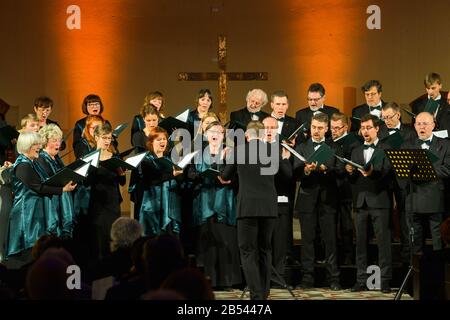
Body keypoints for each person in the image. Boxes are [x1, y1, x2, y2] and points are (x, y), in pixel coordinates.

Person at [220, 121, 279, 300]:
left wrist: (225, 160)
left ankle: (256, 295)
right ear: (262, 135)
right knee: (265, 250)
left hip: (247, 208)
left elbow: (225, 176)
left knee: (247, 251)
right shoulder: (272, 151)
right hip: (269, 207)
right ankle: (265, 292)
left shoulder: (238, 151)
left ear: (247, 135)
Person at [186, 121, 241, 290]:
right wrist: (204, 175)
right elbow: (190, 174)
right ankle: (209, 280)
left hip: (224, 201)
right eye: (212, 131)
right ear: (206, 134)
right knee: (207, 242)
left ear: (224, 135)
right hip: (205, 201)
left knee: (225, 240)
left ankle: (226, 280)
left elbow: (237, 177)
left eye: (219, 131)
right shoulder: (197, 154)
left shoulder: (230, 153)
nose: (215, 134)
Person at [6, 132, 76, 258]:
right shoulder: (23, 165)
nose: (39, 147)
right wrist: (62, 189)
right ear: (27, 146)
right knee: (28, 252)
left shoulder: (32, 162)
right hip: (26, 214)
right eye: (36, 144)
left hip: (34, 212)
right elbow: (39, 187)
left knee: (36, 251)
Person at [293, 113, 342, 290]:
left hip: (328, 199)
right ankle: (307, 278)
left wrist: (324, 169)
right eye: (314, 127)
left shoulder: (334, 147)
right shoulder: (302, 146)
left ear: (326, 129)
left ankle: (333, 278)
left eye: (320, 128)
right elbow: (295, 172)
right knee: (307, 240)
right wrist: (306, 170)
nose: (316, 131)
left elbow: (339, 171)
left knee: (330, 240)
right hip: (307, 198)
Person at [345, 114, 393, 293]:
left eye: (368, 128)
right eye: (362, 128)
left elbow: (389, 174)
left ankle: (385, 280)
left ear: (377, 128)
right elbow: (352, 179)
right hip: (360, 202)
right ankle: (361, 279)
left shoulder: (386, 148)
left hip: (379, 200)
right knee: (360, 244)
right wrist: (349, 171)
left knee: (383, 242)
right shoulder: (356, 150)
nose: (365, 131)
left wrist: (373, 172)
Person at [402, 112, 450, 255]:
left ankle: (439, 271)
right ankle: (417, 272)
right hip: (414, 196)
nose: (421, 127)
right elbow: (402, 170)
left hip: (435, 195)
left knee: (437, 238)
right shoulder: (407, 146)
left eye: (425, 124)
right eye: (418, 124)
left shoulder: (445, 144)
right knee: (415, 238)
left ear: (433, 125)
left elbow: (447, 169)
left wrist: (425, 170)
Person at [379, 102, 417, 264]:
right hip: (385, 179)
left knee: (405, 217)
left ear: (398, 115)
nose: (386, 121)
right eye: (384, 118)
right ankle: (386, 257)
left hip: (403, 180)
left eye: (389, 117)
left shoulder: (409, 132)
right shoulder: (380, 132)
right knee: (384, 217)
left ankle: (407, 255)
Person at [86, 123, 126, 261]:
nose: (107, 141)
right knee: (98, 237)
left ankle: (112, 265)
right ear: (96, 137)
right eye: (104, 137)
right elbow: (85, 183)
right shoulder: (89, 157)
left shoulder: (115, 156)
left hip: (113, 201)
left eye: (109, 138)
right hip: (97, 202)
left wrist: (121, 174)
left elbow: (122, 182)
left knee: (112, 235)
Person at [262, 117, 294, 285]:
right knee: (264, 242)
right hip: (261, 202)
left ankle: (278, 277)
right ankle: (264, 276)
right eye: (266, 127)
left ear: (277, 130)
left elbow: (289, 176)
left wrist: (283, 159)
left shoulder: (284, 148)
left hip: (280, 200)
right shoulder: (255, 149)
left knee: (280, 242)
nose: (269, 130)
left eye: (272, 127)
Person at [329, 112, 362, 265]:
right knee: (330, 226)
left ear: (346, 127)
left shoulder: (354, 142)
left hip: (347, 189)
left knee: (346, 226)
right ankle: (333, 257)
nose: (334, 131)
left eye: (337, 128)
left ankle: (348, 257)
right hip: (331, 189)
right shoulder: (329, 142)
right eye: (332, 128)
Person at [139, 127, 183, 237]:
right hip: (154, 203)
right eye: (158, 140)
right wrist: (171, 175)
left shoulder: (170, 159)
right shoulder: (147, 159)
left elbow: (178, 180)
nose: (162, 141)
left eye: (164, 139)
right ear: (151, 142)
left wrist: (179, 174)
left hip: (170, 204)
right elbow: (151, 180)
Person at [36, 124, 74, 238]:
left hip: (60, 201)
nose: (58, 143)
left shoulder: (56, 158)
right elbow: (48, 181)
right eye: (54, 140)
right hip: (51, 204)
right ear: (45, 141)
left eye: (59, 140)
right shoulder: (41, 158)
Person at [410, 72, 450, 136]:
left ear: (440, 86)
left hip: (444, 142)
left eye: (433, 88)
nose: (430, 92)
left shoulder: (447, 104)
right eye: (428, 88)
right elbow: (413, 128)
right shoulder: (417, 105)